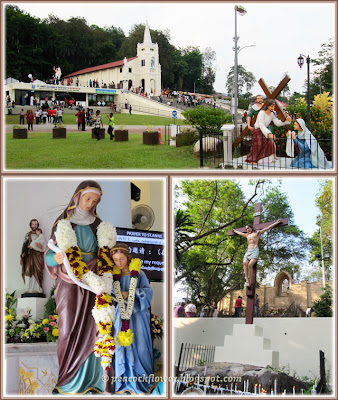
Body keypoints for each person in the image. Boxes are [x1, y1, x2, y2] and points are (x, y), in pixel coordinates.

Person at [44, 181, 107, 394]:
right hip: (69, 279)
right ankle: (66, 381)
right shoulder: (63, 223)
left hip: (94, 281)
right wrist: (58, 257)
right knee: (67, 328)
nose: (90, 204)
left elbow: (106, 252)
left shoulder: (99, 225)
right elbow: (49, 255)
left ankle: (93, 381)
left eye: (95, 201)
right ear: (77, 196)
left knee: (94, 328)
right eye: (88, 198)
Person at [110, 243, 154, 394]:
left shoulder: (139, 273)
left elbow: (148, 292)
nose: (119, 263)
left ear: (128, 257)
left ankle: (141, 383)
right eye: (115, 260)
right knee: (121, 346)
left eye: (121, 258)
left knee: (140, 347)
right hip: (120, 316)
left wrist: (130, 293)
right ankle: (123, 383)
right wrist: (116, 296)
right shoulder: (113, 276)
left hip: (138, 316)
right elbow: (109, 293)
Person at [232, 220, 282, 287]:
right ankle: (247, 280)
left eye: (248, 228)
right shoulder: (247, 235)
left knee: (250, 265)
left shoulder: (257, 233)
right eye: (246, 229)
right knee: (244, 263)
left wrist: (276, 223)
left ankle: (250, 280)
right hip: (248, 251)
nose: (247, 230)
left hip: (255, 250)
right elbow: (240, 233)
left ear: (251, 228)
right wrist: (235, 231)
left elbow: (267, 228)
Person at [245, 99, 291, 164]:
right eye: (271, 106)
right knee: (258, 144)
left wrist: (287, 121)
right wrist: (269, 134)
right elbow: (261, 125)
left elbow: (277, 123)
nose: (273, 108)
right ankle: (252, 160)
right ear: (268, 106)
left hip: (264, 131)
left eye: (274, 106)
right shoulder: (262, 113)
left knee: (270, 144)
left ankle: (266, 159)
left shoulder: (272, 114)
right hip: (258, 131)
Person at [20, 219, 45, 293]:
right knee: (28, 270)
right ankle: (28, 289)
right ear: (30, 225)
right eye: (33, 224)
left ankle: (38, 289)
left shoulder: (41, 235)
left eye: (35, 224)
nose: (34, 226)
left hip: (38, 256)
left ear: (37, 225)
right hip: (29, 255)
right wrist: (23, 253)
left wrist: (41, 246)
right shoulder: (28, 235)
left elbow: (44, 245)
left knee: (37, 271)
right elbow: (24, 245)